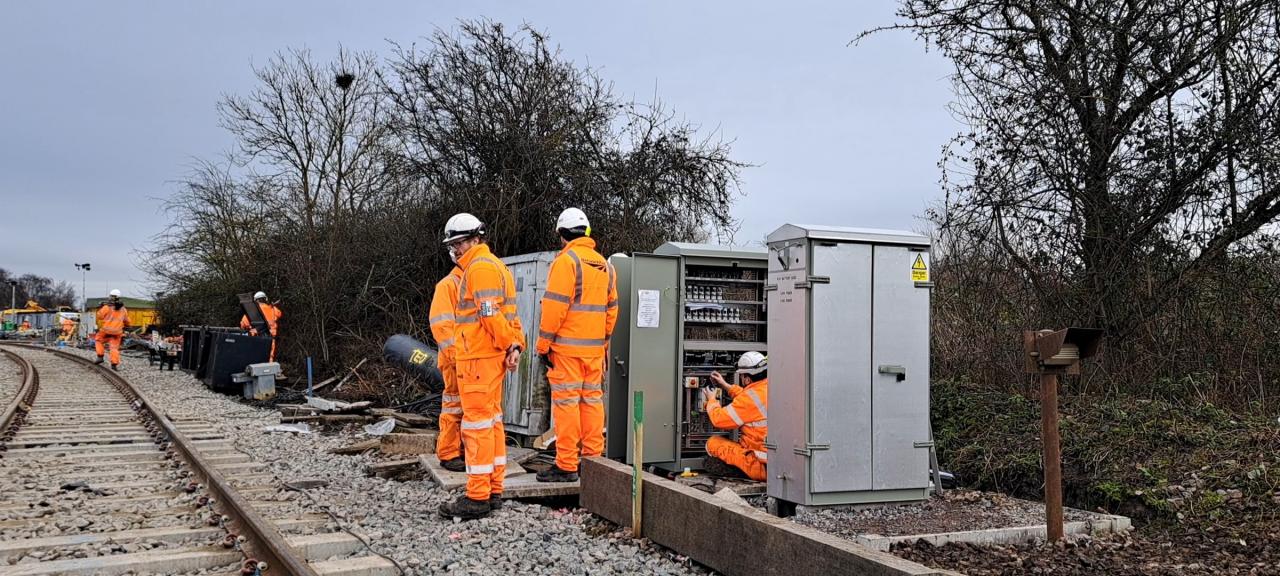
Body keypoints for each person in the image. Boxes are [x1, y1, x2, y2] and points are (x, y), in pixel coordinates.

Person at [437, 213, 525, 521]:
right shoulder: (498, 267)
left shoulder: (479, 269)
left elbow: (489, 315)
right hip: (489, 358)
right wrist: (514, 345)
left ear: (475, 239)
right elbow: (510, 316)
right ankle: (493, 490)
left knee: (475, 427)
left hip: (477, 359)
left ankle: (477, 496)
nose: (456, 250)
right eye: (454, 244)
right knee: (492, 424)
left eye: (459, 243)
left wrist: (509, 344)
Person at [535, 208, 618, 483]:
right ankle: (592, 462)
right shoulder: (606, 265)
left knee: (567, 406)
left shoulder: (566, 261)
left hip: (567, 352)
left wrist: (543, 345)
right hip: (594, 351)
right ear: (587, 232)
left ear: (561, 234)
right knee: (592, 403)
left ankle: (567, 465)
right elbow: (612, 310)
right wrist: (603, 341)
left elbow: (554, 308)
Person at [701, 351, 769, 481]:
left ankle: (742, 473)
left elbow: (719, 419)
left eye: (742, 376)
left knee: (713, 443)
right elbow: (750, 398)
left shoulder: (750, 399)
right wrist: (726, 386)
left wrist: (711, 400)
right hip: (777, 464)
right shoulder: (771, 388)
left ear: (747, 378)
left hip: (760, 465)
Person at [429, 264, 466, 472]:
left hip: (471, 360)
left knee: (467, 409)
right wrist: (457, 357)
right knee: (454, 406)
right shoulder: (449, 285)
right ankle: (449, 452)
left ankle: (461, 450)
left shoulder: (472, 282)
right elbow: (441, 326)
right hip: (457, 360)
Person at [239, 291, 282, 361]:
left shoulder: (252, 311)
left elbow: (243, 324)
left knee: (254, 359)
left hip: (255, 338)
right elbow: (279, 314)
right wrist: (272, 306)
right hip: (270, 339)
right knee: (269, 358)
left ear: (255, 301)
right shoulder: (273, 309)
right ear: (266, 299)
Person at [95, 289, 130, 371]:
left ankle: (100, 356)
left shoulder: (107, 307)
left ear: (111, 297)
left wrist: (101, 307)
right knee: (114, 347)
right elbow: (127, 321)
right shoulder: (123, 309)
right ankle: (114, 364)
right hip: (117, 332)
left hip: (106, 331)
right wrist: (127, 326)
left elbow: (99, 316)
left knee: (98, 340)